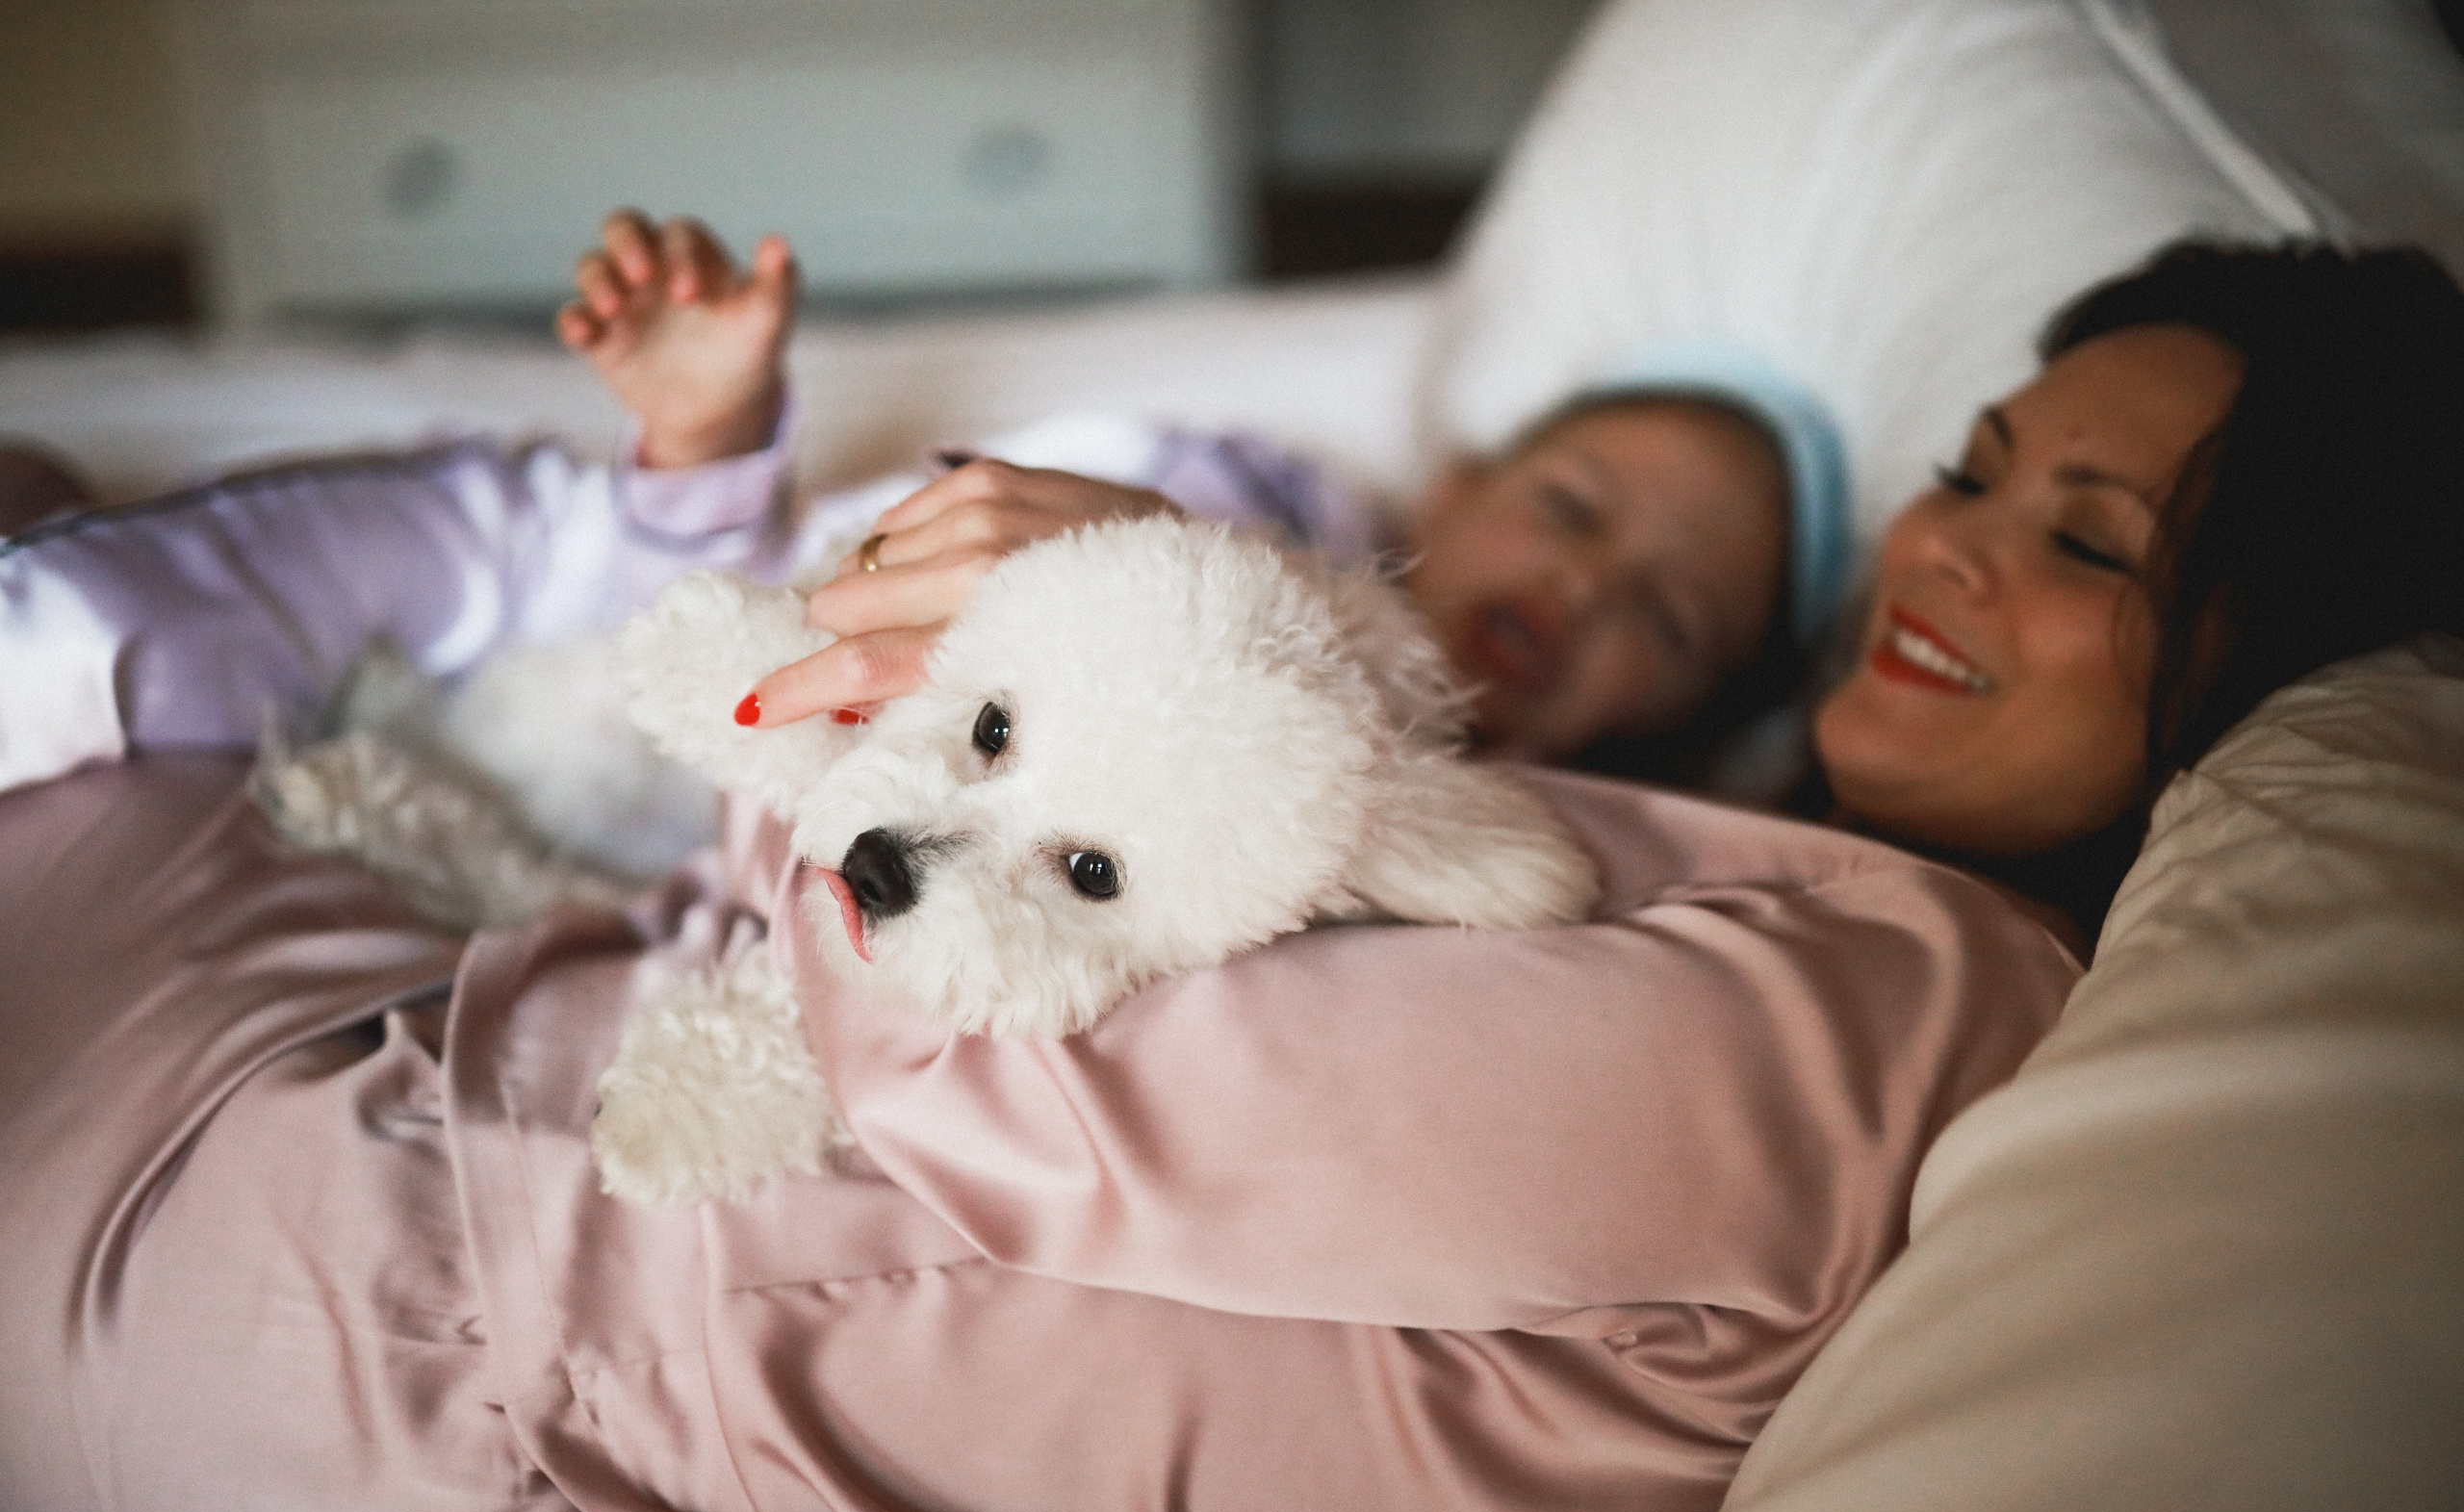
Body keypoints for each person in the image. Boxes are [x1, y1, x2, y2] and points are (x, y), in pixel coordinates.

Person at [2, 237, 2458, 1512]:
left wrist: (1095, 618)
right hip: (414, 1129)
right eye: (1972, 472)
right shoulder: (1782, 893)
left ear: (2263, 659)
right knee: (113, 635)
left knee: (84, 653)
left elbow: (979, 1017)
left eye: (2089, 542)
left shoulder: (1896, 1013)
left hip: (373, 1278)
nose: (1952, 551)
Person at [0, 211, 1845, 805]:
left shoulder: (1463, 810)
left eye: (1666, 616)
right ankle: (61, 600)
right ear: (1463, 483)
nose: (1588, 584)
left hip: (684, 808)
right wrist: (707, 451)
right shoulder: (1263, 487)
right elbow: (803, 585)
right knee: (458, 539)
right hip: (659, 615)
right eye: (1575, 506)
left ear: (1681, 720)